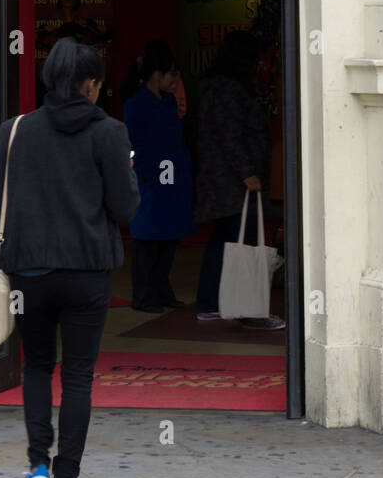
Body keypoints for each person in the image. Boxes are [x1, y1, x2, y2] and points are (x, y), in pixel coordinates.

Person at [0, 37, 138, 478]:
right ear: (92, 85)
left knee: (36, 367)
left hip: (30, 275)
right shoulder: (110, 132)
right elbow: (126, 209)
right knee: (77, 378)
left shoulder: (15, 130)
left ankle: (37, 468)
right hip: (87, 275)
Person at [194, 29, 284, 330]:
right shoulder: (230, 89)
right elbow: (230, 134)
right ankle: (244, 308)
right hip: (232, 182)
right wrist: (247, 172)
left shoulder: (215, 87)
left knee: (225, 242)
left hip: (220, 179)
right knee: (239, 244)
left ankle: (215, 304)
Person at [121, 40, 195, 312]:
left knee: (167, 239)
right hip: (151, 180)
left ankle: (162, 292)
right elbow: (137, 145)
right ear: (157, 75)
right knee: (147, 242)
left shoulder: (167, 103)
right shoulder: (136, 104)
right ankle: (143, 296)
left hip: (172, 179)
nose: (175, 79)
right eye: (171, 73)